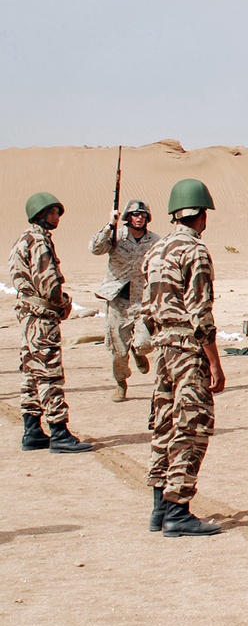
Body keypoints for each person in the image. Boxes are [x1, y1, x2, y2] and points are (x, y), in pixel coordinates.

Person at [139, 178, 225, 537]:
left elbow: (146, 309)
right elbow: (200, 314)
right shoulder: (195, 251)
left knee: (165, 426)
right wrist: (216, 363)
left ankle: (160, 507)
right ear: (201, 214)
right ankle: (178, 510)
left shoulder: (155, 251)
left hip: (163, 350)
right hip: (188, 350)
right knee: (192, 427)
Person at [9, 192, 93, 453]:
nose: (57, 217)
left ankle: (32, 430)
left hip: (28, 317)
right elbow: (49, 286)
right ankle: (59, 432)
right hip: (42, 319)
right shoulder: (39, 242)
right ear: (40, 214)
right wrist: (64, 303)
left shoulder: (24, 239)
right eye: (53, 212)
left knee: (31, 375)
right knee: (49, 374)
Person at [89, 198, 160, 401]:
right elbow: (95, 248)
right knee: (118, 350)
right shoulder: (116, 236)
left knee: (146, 342)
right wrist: (110, 224)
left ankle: (139, 352)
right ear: (128, 217)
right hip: (119, 299)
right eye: (135, 215)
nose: (139, 218)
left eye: (143, 215)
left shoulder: (154, 241)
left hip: (143, 299)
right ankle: (121, 382)